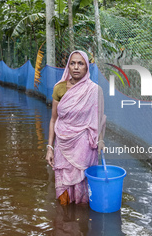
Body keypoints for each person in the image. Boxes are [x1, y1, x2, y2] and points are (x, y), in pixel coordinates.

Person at [45, 50, 106, 205]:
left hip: (84, 147)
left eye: (81, 63)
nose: (76, 67)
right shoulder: (59, 88)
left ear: (87, 67)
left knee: (83, 191)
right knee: (63, 194)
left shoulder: (94, 90)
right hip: (62, 145)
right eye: (73, 63)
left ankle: (81, 222)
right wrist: (49, 147)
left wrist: (101, 140)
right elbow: (53, 120)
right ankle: (64, 222)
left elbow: (99, 119)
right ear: (68, 66)